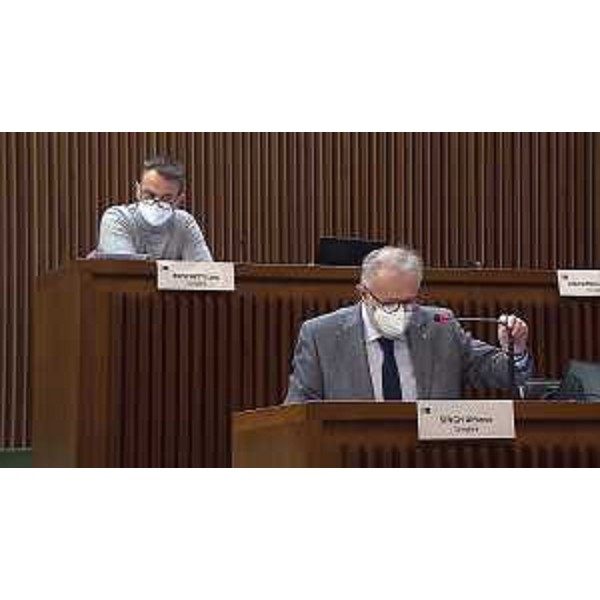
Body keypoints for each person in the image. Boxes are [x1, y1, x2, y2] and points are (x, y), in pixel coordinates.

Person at [285, 246, 533, 402]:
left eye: (408, 302)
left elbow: (502, 375)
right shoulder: (321, 336)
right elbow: (299, 413)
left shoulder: (439, 326)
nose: (400, 312)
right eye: (389, 304)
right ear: (363, 293)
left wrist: (515, 349)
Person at [95, 156, 213, 261]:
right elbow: (123, 271)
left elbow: (206, 273)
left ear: (179, 200)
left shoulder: (185, 223)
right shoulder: (117, 218)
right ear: (138, 191)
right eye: (149, 195)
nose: (156, 203)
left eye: (166, 198)